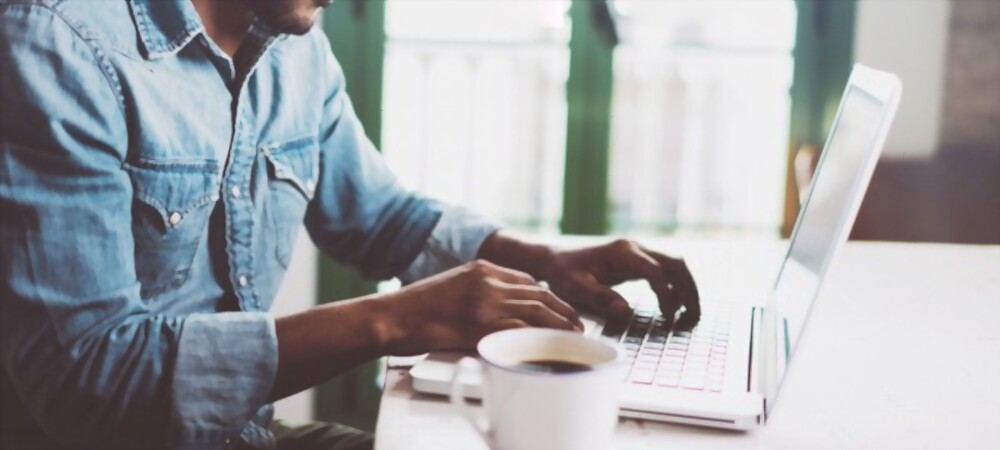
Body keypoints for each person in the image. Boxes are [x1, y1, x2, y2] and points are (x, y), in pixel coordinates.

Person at [0, 0, 700, 448]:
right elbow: (87, 379)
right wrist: (393, 320)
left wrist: (543, 260)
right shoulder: (56, 43)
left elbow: (381, 217)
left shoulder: (294, 43)